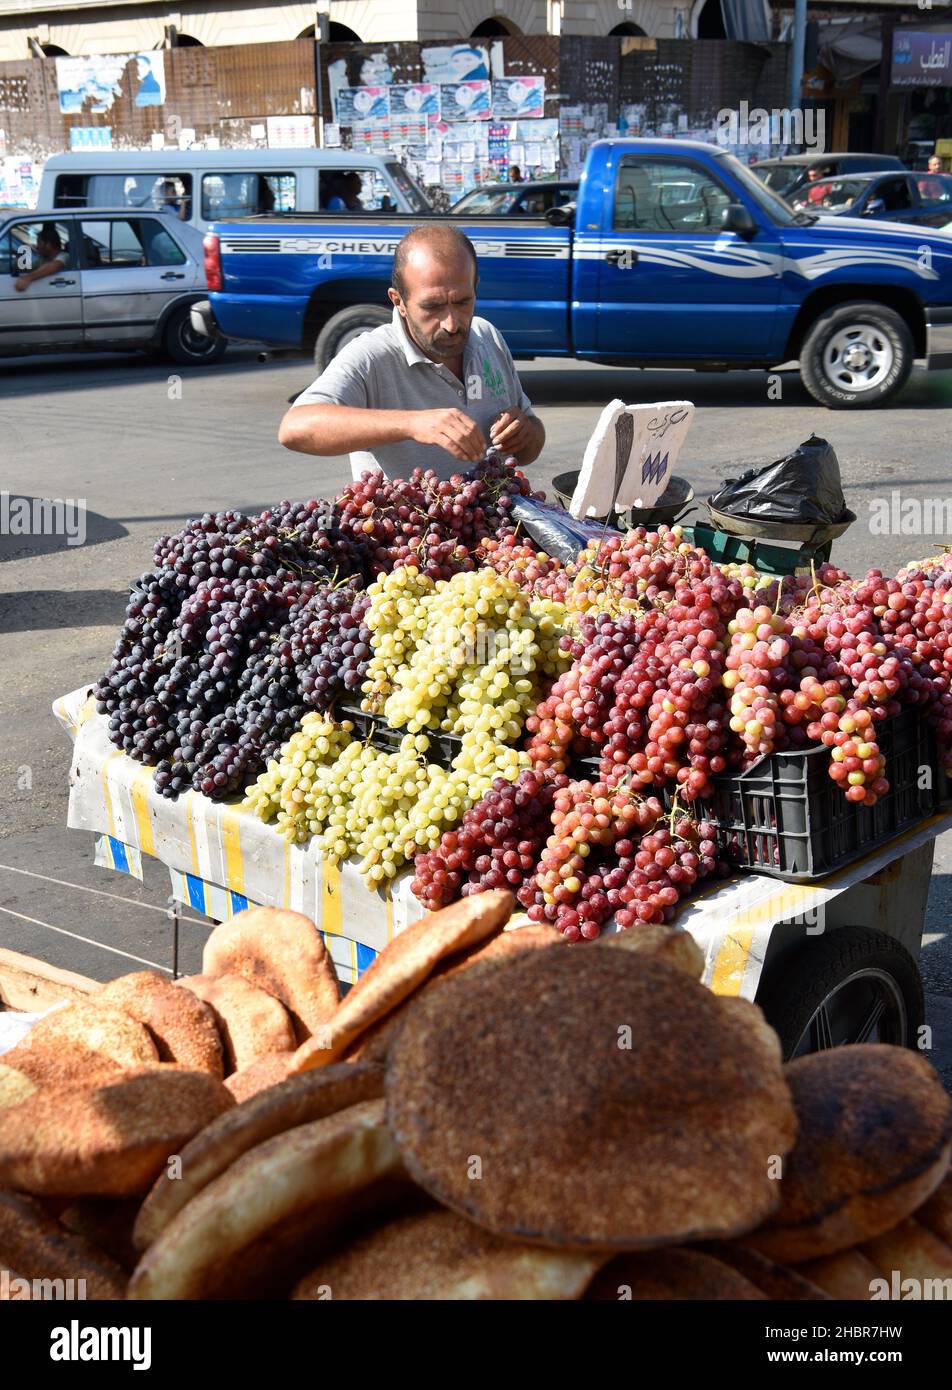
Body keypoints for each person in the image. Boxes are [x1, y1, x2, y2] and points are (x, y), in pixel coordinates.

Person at [279, 223, 545, 481]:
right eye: (432, 306)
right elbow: (295, 428)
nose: (451, 324)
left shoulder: (487, 336)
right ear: (399, 301)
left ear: (475, 286)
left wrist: (526, 435)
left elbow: (531, 445)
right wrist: (411, 424)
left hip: (491, 521)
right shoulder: (372, 356)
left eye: (463, 302)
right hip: (411, 524)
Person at [14, 223, 65, 292]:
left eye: (39, 243)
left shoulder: (64, 256)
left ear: (48, 245)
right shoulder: (44, 258)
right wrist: (19, 260)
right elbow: (30, 267)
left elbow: (54, 266)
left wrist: (27, 278)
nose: (37, 247)